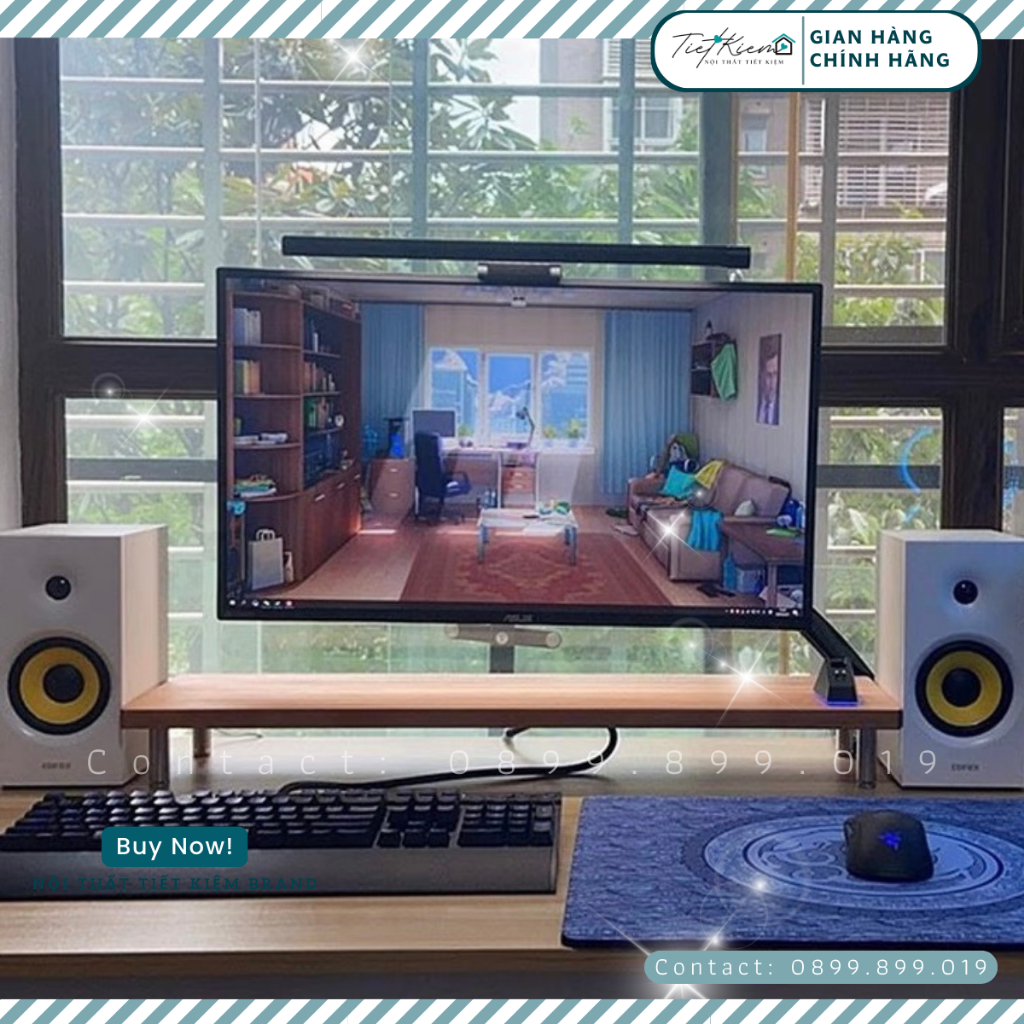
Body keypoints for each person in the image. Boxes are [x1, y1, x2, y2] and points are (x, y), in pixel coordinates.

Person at [757, 336, 781, 426]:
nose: (772, 382)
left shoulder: (782, 405)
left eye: (775, 374)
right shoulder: (755, 401)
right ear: (761, 375)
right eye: (768, 375)